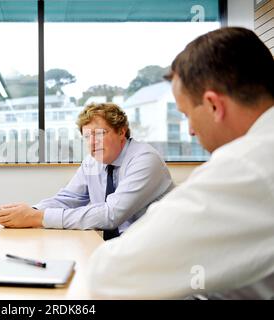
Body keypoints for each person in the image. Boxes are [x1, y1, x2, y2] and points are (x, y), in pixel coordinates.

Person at [86, 27, 274, 299]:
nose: (191, 132)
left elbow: (111, 272)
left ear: (213, 105)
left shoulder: (250, 164)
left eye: (186, 114)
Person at [0, 103, 174, 239]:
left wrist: (37, 217)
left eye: (99, 134)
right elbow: (68, 198)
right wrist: (29, 211)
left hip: (154, 247)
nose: (92, 142)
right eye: (87, 136)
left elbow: (110, 215)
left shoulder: (145, 159)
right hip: (119, 247)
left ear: (121, 132)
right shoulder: (92, 162)